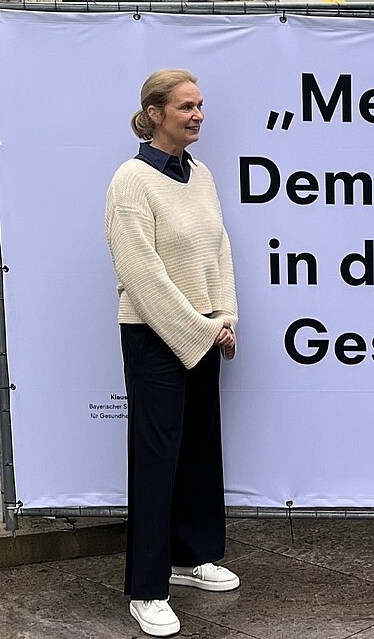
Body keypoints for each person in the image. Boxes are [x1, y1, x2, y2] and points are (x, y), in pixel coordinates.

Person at [106, 69, 240, 638]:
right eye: (186, 106)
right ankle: (147, 590)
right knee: (157, 459)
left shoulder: (201, 174)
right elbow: (142, 274)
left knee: (200, 449)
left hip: (204, 331)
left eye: (201, 105)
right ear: (154, 113)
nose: (198, 115)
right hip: (153, 336)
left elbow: (219, 249)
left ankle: (195, 556)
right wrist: (197, 330)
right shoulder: (131, 182)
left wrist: (224, 318)